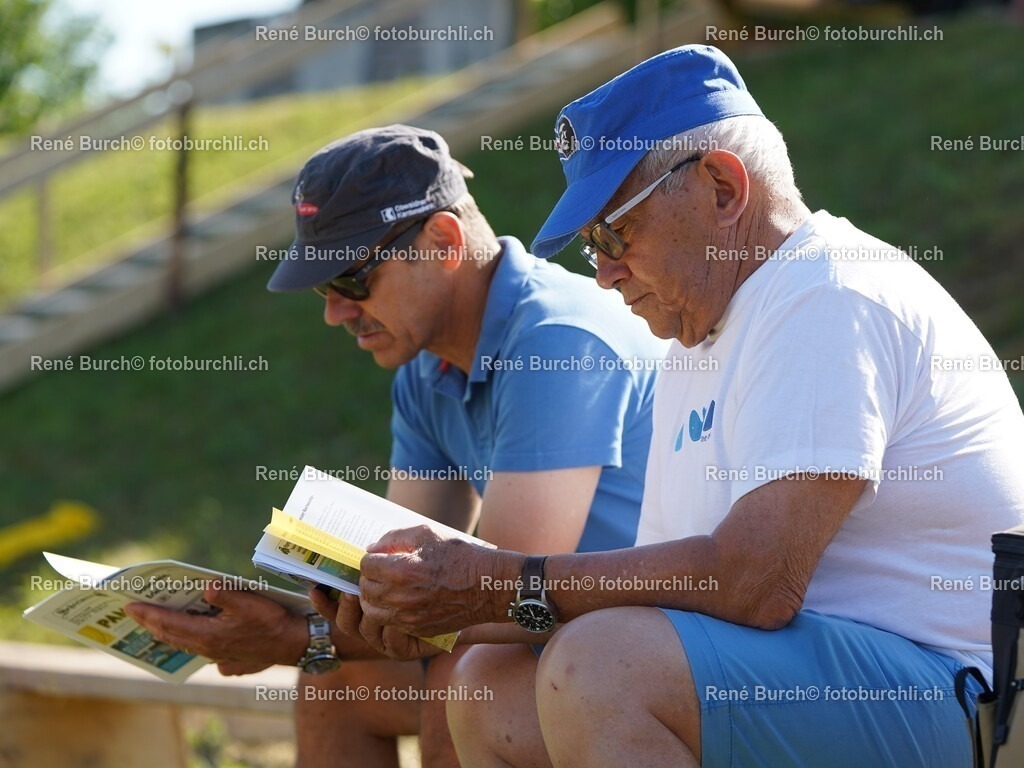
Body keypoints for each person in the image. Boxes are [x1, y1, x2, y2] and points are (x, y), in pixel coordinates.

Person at [326, 46, 1024, 767]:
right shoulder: (700, 338)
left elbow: (756, 582)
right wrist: (428, 614)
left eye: (613, 233)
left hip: (961, 699)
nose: (602, 273)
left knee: (605, 663)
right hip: (844, 684)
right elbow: (676, 600)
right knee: (489, 684)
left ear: (722, 188)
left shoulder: (826, 293)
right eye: (590, 246)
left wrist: (501, 587)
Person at [125, 124, 667, 767]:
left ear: (441, 243)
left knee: (466, 668)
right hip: (561, 635)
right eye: (326, 289)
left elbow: (485, 602)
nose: (335, 312)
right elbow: (409, 580)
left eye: (351, 280)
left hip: (654, 649)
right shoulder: (426, 365)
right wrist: (307, 633)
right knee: (338, 686)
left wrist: (297, 635)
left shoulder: (556, 340)